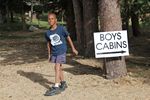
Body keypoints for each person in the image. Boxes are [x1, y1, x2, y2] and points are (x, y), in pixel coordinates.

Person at [44, 12, 78, 96]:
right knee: (59, 68)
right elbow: (48, 44)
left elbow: (68, 37)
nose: (50, 20)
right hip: (54, 52)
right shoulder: (47, 33)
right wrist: (49, 54)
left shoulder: (61, 29)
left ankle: (56, 86)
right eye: (49, 19)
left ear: (55, 20)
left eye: (52, 18)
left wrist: (73, 48)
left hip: (62, 50)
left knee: (56, 67)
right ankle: (63, 83)